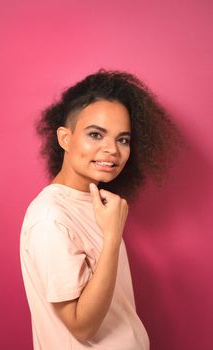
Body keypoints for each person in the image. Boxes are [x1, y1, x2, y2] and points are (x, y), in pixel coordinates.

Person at [20, 69, 184, 349]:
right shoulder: (51, 218)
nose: (113, 150)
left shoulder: (94, 200)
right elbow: (81, 326)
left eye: (123, 139)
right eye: (96, 135)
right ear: (65, 138)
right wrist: (111, 237)